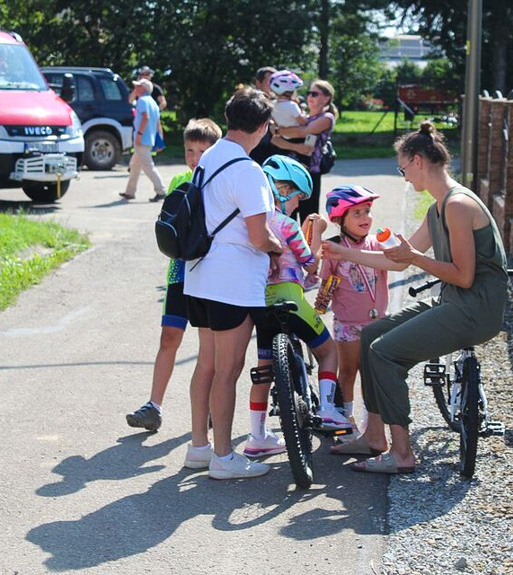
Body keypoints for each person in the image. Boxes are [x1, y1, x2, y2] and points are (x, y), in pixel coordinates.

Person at [324, 122, 509, 474]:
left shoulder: (457, 205)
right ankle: (374, 437)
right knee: (370, 336)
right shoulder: (437, 208)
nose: (404, 177)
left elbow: (463, 275)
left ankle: (402, 454)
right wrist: (343, 252)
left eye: (403, 168)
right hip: (455, 303)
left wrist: (416, 259)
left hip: (474, 310)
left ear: (419, 160)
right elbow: (397, 259)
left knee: (384, 353)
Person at [182, 87, 284, 480]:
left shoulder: (209, 157)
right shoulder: (248, 170)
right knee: (228, 370)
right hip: (232, 282)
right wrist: (278, 249)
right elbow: (259, 236)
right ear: (260, 126)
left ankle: (199, 447)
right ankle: (224, 457)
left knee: (206, 364)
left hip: (199, 276)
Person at [245, 156, 352, 458]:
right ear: (283, 192)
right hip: (291, 301)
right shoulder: (286, 224)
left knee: (264, 371)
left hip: (260, 306)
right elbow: (310, 263)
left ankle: (256, 436)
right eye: (297, 199)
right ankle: (330, 409)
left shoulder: (252, 224)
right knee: (328, 350)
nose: (297, 206)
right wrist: (316, 234)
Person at [125, 118, 223, 432]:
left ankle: (210, 406)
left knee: (210, 347)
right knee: (169, 337)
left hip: (212, 276)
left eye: (202, 151)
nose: (194, 158)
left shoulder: (221, 182)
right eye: (189, 150)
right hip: (180, 272)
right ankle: (153, 406)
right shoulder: (180, 180)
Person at [317, 185, 389, 433]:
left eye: (367, 211)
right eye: (356, 213)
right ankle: (345, 421)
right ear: (340, 217)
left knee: (373, 376)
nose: (365, 218)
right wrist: (320, 304)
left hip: (377, 322)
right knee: (348, 372)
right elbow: (325, 282)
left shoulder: (378, 244)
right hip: (348, 323)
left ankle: (372, 426)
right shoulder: (333, 247)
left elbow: (396, 260)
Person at [271, 79, 337, 224]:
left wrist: (277, 130)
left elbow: (303, 132)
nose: (310, 97)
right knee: (288, 217)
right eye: (309, 93)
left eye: (315, 94)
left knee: (309, 218)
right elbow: (275, 140)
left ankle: (309, 247)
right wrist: (294, 145)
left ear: (326, 98)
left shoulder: (326, 118)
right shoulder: (301, 117)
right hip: (290, 173)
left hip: (310, 173)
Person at [120, 78, 166, 201]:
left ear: (144, 89)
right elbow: (157, 123)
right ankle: (130, 192)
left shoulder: (142, 101)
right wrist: (160, 138)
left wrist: (139, 134)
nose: (135, 89)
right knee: (135, 166)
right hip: (148, 139)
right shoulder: (153, 102)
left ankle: (161, 191)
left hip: (142, 139)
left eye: (138, 87)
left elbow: (146, 117)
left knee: (148, 166)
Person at [250, 66, 280, 165]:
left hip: (274, 156)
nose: (275, 86)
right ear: (258, 83)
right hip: (255, 154)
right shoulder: (249, 102)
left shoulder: (282, 104)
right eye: (270, 82)